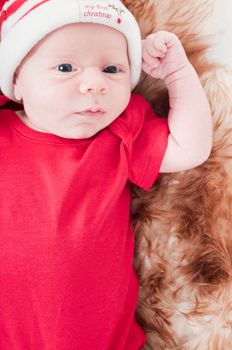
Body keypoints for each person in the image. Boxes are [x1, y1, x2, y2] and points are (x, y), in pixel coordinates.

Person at [0, 0, 212, 349]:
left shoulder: (120, 132)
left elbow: (190, 148)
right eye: (66, 67)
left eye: (112, 69)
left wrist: (177, 74)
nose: (94, 84)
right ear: (17, 80)